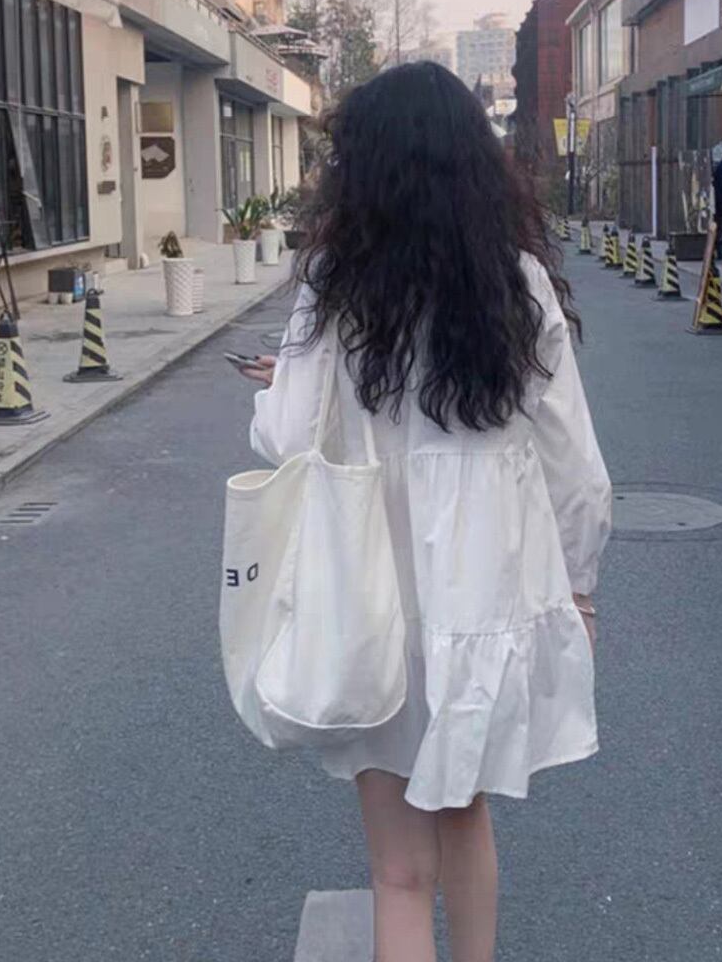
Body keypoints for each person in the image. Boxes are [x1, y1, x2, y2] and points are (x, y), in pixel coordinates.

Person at [242, 62, 611, 962]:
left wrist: (283, 387)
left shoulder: (337, 286)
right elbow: (575, 465)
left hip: (371, 600)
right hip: (481, 603)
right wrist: (580, 587)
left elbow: (286, 435)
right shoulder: (517, 283)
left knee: (399, 874)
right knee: (466, 817)